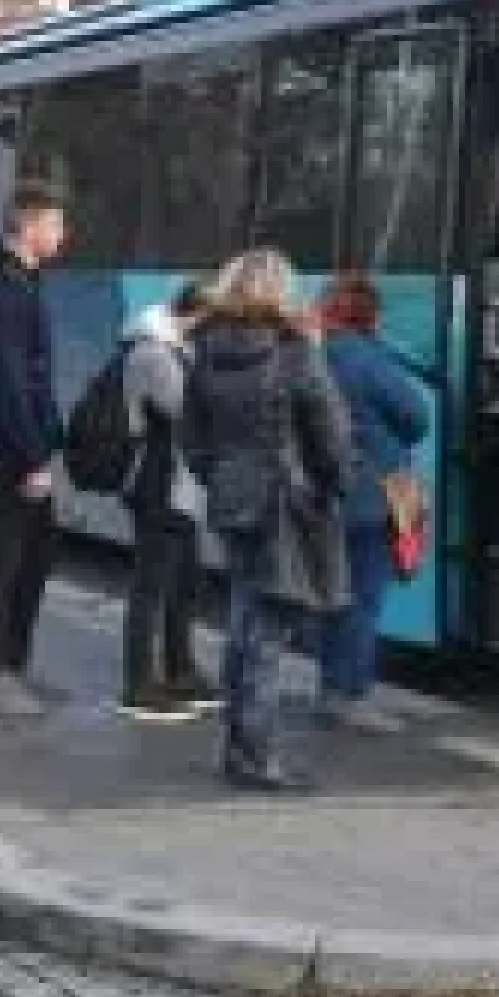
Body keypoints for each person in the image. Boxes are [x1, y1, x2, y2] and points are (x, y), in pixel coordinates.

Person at [183, 249, 351, 793]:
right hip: (286, 503)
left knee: (244, 618)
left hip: (233, 498)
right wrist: (331, 487)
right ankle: (258, 756)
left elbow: (193, 439)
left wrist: (220, 476)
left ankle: (238, 748)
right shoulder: (294, 353)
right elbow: (331, 434)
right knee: (268, 630)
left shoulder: (207, 352)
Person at [0, 181, 67, 718]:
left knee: (36, 555)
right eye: (55, 224)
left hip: (23, 445)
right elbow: (7, 382)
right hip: (7, 449)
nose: (63, 234)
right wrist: (31, 456)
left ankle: (14, 664)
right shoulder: (2, 290)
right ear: (28, 225)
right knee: (4, 559)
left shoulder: (23, 282)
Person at [316, 274, 430, 735]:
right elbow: (416, 416)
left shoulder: (314, 356)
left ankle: (329, 689)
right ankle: (352, 695)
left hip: (324, 493)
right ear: (370, 316)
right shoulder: (368, 359)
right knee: (364, 598)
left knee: (333, 595)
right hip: (374, 492)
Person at [118, 281, 219, 720]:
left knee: (186, 580)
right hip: (157, 483)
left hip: (181, 486)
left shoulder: (179, 351)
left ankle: (181, 671)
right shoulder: (153, 353)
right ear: (195, 316)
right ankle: (139, 683)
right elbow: (186, 411)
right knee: (151, 586)